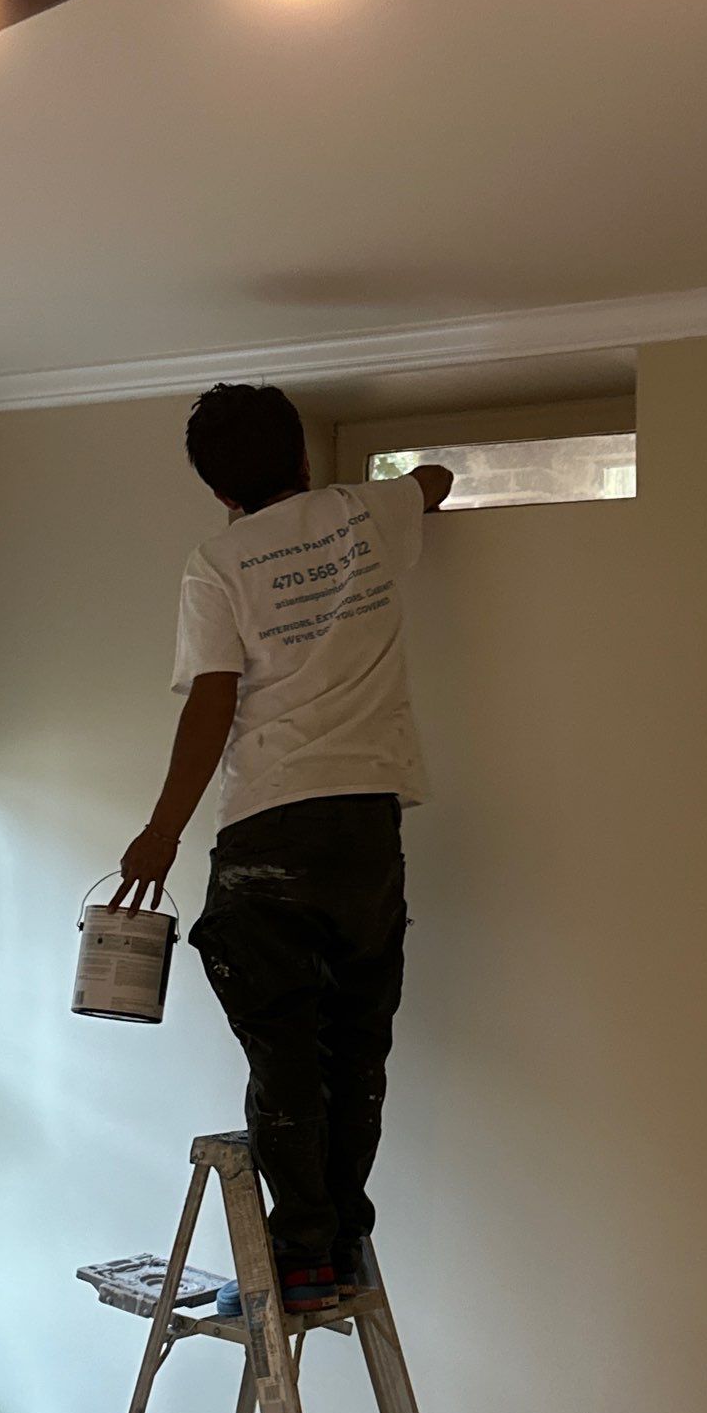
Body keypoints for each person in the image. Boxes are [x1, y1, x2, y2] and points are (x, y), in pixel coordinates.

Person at [112, 383, 453, 1317]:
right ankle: (338, 1242)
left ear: (217, 489)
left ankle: (303, 1256)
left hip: (270, 826)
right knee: (357, 1050)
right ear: (303, 458)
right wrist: (385, 495)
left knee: (285, 1056)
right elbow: (436, 479)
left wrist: (160, 832)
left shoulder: (217, 560)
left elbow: (214, 701)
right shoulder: (364, 513)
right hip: (366, 829)